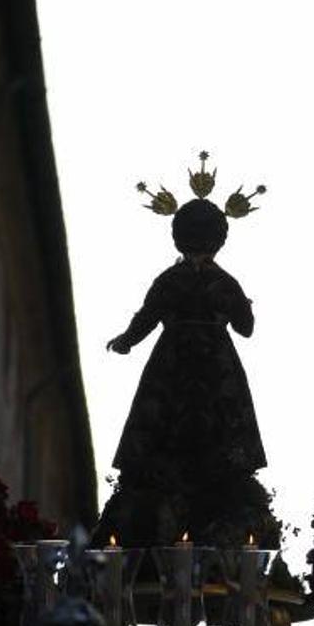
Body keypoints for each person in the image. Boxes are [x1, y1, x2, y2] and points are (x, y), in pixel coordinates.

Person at [95, 169, 278, 550]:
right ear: (220, 238)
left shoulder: (169, 279)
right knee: (221, 441)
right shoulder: (225, 282)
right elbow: (246, 327)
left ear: (177, 235)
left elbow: (147, 316)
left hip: (171, 366)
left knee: (161, 431)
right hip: (217, 367)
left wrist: (127, 340)